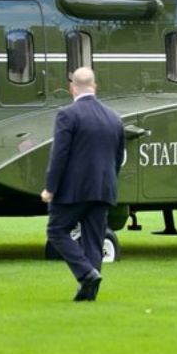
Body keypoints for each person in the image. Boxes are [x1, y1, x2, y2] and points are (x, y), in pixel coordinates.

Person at [42, 67, 124, 302]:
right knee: (93, 242)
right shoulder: (114, 118)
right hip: (104, 188)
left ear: (72, 88)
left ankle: (86, 273)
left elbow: (59, 155)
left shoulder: (67, 115)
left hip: (74, 190)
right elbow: (118, 157)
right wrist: (108, 182)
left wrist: (50, 188)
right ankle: (89, 293)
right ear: (94, 86)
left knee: (56, 231)